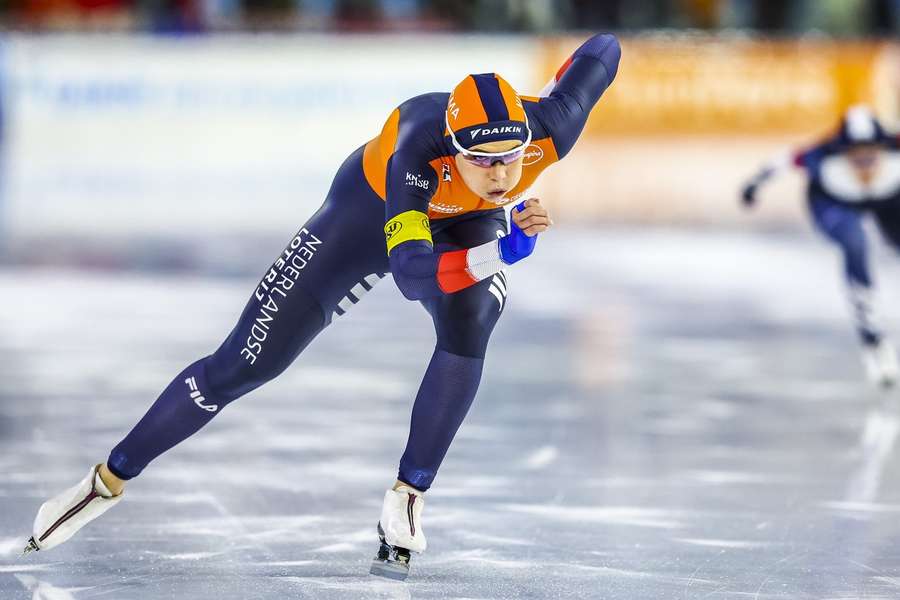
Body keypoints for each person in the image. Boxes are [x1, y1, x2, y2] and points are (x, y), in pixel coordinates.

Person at [24, 33, 622, 580]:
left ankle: (408, 495)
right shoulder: (418, 145)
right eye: (482, 160)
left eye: (511, 158)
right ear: (454, 147)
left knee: (471, 321)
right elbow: (413, 277)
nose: (499, 175)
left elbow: (604, 49)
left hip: (463, 227)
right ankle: (105, 481)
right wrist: (504, 252)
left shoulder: (548, 128)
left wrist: (544, 95)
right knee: (244, 365)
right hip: (367, 217)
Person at [741, 106, 900, 387]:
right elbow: (785, 160)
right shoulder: (823, 157)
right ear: (842, 151)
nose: (864, 160)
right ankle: (872, 337)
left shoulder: (895, 151)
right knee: (855, 243)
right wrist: (754, 185)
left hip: (888, 200)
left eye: (870, 153)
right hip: (833, 201)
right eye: (856, 154)